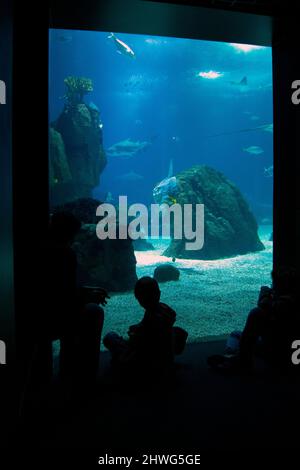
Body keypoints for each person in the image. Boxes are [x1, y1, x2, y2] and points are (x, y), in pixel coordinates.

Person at [35, 211, 110, 383]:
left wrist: (85, 290)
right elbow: (62, 299)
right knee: (93, 312)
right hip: (50, 317)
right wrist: (87, 297)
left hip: (43, 311)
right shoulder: (65, 254)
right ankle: (81, 375)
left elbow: (58, 289)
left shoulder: (41, 248)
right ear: (69, 233)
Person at [207, 267, 297, 373]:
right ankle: (234, 356)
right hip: (288, 351)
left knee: (247, 323)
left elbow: (264, 305)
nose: (272, 287)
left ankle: (239, 360)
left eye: (274, 284)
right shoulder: (286, 301)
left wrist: (264, 294)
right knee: (236, 334)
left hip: (276, 351)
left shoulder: (279, 305)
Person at [104, 276, 188, 376]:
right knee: (177, 331)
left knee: (110, 337)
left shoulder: (151, 318)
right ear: (159, 293)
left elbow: (139, 340)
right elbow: (153, 325)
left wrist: (134, 334)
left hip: (147, 364)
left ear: (138, 298)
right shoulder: (164, 309)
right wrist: (140, 327)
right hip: (166, 357)